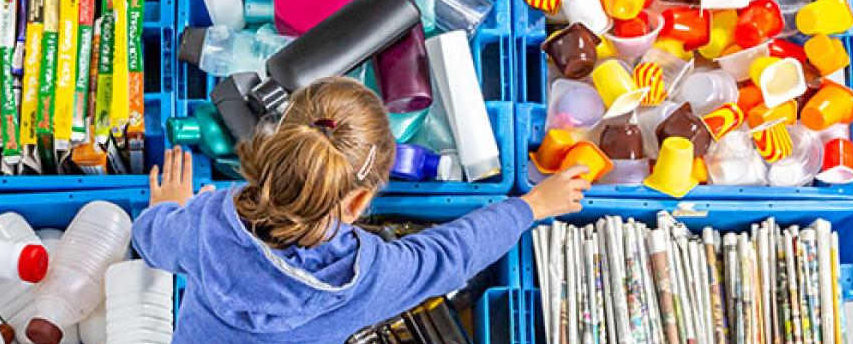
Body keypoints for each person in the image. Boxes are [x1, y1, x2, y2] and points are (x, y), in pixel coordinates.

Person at [134, 77, 589, 343]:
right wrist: (531, 205)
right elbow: (453, 254)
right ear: (356, 203)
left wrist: (166, 210)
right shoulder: (368, 276)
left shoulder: (204, 221)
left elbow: (150, 240)